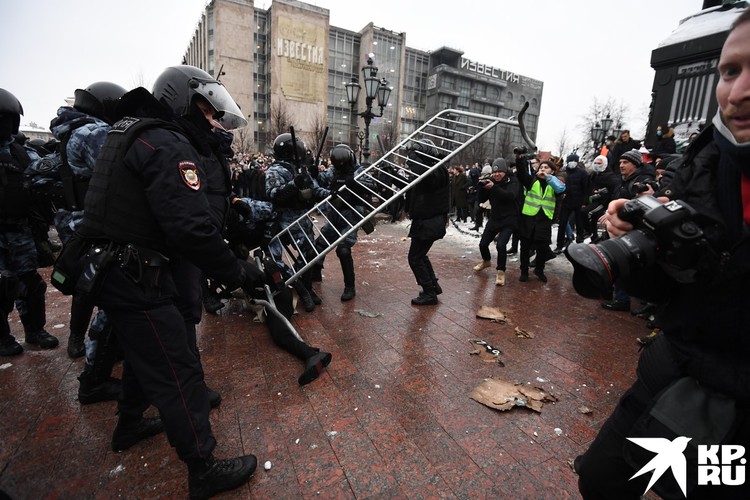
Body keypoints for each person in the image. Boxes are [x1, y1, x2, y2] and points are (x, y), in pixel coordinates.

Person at [575, 9, 750, 498]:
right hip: (673, 372)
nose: (738, 93)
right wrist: (637, 245)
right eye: (731, 71)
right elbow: (676, 285)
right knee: (602, 479)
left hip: (738, 412)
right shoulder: (705, 164)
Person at [76, 65, 263, 498]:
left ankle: (128, 424)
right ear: (186, 102)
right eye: (210, 113)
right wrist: (237, 272)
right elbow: (191, 228)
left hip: (114, 270)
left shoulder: (136, 131)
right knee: (178, 368)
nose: (214, 123)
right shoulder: (165, 143)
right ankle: (203, 468)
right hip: (136, 275)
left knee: (144, 354)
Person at [0, 88, 59, 357]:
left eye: (7, 119)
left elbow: (45, 176)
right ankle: (3, 338)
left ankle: (35, 331)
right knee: (2, 286)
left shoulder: (22, 154)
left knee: (31, 285)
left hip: (20, 231)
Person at [265, 133, 329, 312]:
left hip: (303, 221)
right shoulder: (275, 171)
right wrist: (293, 184)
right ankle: (301, 289)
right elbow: (274, 194)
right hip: (284, 222)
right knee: (275, 261)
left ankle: (305, 287)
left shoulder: (300, 168)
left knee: (310, 256)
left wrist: (332, 193)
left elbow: (315, 191)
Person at [314, 144, 372, 301]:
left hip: (351, 216)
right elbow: (322, 178)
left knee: (343, 249)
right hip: (334, 215)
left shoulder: (358, 171)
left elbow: (371, 186)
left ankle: (349, 287)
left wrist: (355, 183)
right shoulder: (333, 171)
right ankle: (315, 273)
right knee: (320, 244)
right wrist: (313, 172)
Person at [600, 149, 656, 312]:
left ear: (636, 164)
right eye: (620, 163)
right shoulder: (622, 181)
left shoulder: (642, 180)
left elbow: (642, 200)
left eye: (626, 162)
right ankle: (613, 292)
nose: (621, 165)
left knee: (622, 262)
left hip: (632, 229)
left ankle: (622, 299)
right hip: (616, 227)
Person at [404, 139, 449, 305]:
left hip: (430, 222)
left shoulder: (437, 171)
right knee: (419, 255)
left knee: (414, 258)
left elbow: (428, 179)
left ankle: (430, 292)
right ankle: (433, 286)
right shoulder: (430, 170)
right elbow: (409, 186)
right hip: (425, 222)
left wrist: (414, 159)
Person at [515, 158, 566, 283]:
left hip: (544, 219)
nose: (542, 168)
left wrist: (548, 177)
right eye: (541, 167)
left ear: (553, 171)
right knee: (525, 247)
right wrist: (520, 158)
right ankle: (524, 271)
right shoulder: (532, 180)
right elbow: (521, 173)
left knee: (543, 247)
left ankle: (539, 269)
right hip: (529, 217)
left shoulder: (554, 183)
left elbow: (561, 189)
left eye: (546, 167)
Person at [471, 158, 520, 286]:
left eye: (500, 172)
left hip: (509, 219)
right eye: (494, 172)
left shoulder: (513, 180)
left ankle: (500, 271)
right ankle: (486, 261)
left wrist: (493, 188)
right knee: (483, 244)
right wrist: (482, 187)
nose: (497, 175)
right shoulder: (491, 181)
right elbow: (481, 199)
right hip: (495, 218)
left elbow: (509, 196)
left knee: (501, 245)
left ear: (505, 171)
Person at [555, 152, 590, 252]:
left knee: (579, 224)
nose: (572, 163)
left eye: (575, 161)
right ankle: (559, 245)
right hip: (566, 202)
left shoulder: (583, 173)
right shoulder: (564, 172)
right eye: (571, 161)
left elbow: (586, 188)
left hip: (578, 202)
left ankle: (580, 243)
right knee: (562, 224)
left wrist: (584, 202)